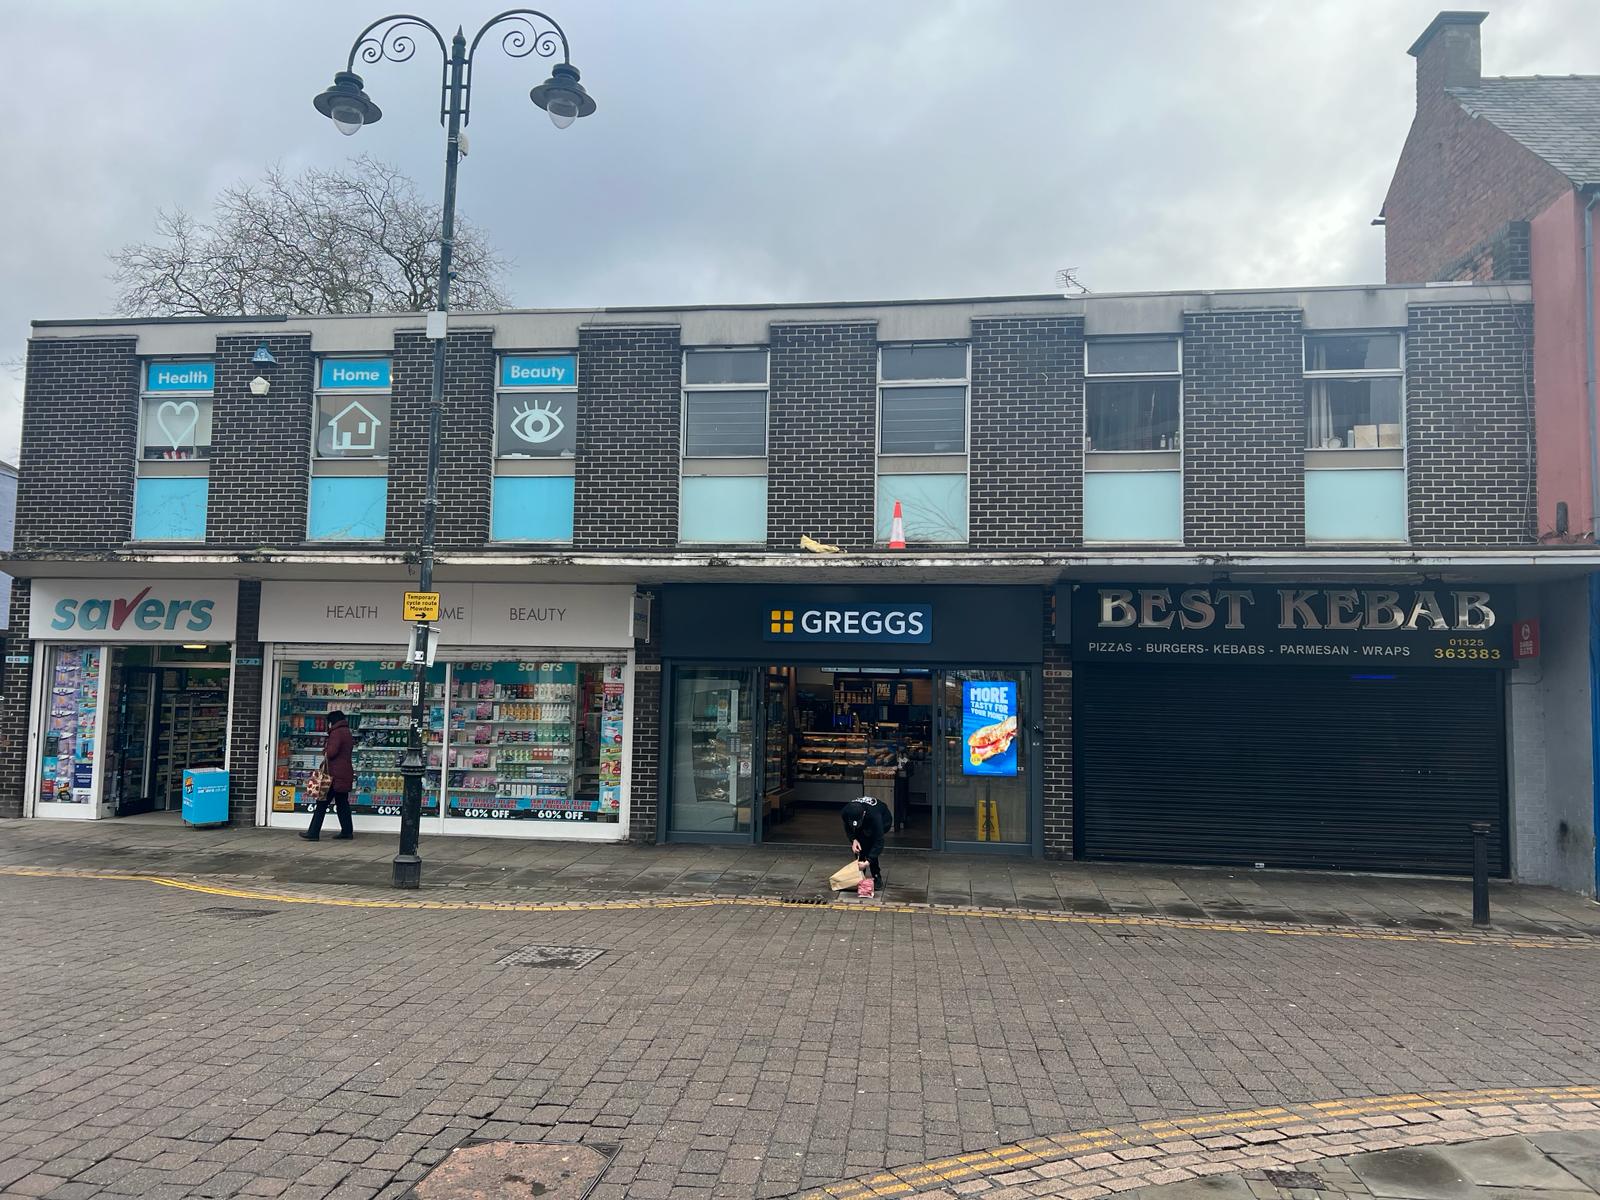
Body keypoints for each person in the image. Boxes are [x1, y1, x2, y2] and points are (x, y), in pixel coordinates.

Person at [300, 709, 354, 841]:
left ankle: (313, 833)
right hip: (344, 773)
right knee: (342, 803)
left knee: (322, 803)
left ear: (332, 722)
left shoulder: (336, 733)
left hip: (333, 775)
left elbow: (331, 753)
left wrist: (325, 750)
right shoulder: (347, 731)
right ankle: (347, 831)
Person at [840, 794, 890, 891]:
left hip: (884, 820)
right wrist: (853, 839)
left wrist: (869, 861)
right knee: (861, 842)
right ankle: (860, 872)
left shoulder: (875, 816)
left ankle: (876, 874)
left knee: (870, 841)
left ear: (863, 814)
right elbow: (847, 827)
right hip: (865, 820)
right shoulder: (845, 811)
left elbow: (879, 841)